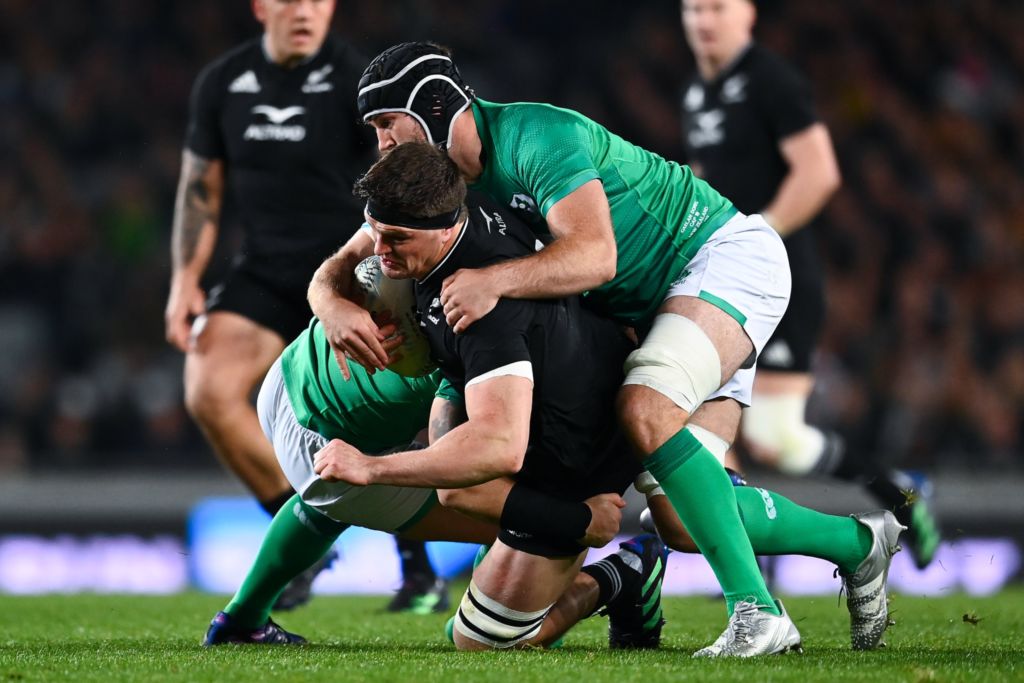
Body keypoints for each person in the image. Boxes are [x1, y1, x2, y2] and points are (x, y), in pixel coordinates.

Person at [311, 142, 905, 654]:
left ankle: (734, 599)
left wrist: (369, 465)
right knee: (665, 523)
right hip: (581, 388)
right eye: (376, 234)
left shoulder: (484, 299)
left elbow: (495, 446)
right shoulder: (441, 221)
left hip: (594, 423)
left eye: (394, 239)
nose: (380, 251)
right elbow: (361, 268)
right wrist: (338, 305)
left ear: (444, 226)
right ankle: (849, 544)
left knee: (493, 583)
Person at [310, 40, 795, 657]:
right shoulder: (435, 189)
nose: (380, 141)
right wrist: (330, 303)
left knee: (645, 410)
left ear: (432, 107)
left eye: (385, 122)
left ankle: (756, 614)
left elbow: (597, 257)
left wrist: (492, 279)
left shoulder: (538, 136)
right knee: (680, 522)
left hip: (710, 260)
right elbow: (343, 263)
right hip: (638, 319)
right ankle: (860, 545)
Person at [162, 0, 442, 611]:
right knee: (207, 388)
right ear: (262, 7)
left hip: (350, 270)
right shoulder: (223, 82)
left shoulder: (352, 79)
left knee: (389, 409)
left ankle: (417, 563)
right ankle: (305, 537)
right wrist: (186, 278)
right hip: (264, 271)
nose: (307, 11)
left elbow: (399, 167)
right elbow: (201, 184)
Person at [678, 0, 940, 570]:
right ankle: (725, 563)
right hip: (721, 279)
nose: (702, 19)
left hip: (778, 278)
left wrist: (754, 243)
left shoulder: (771, 80)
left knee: (775, 438)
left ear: (746, 15)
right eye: (693, 8)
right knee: (701, 415)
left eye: (715, 8)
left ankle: (899, 492)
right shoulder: (700, 93)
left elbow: (818, 172)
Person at [203, 315, 633, 646]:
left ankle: (242, 618)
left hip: (294, 371)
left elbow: (357, 251)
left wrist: (330, 301)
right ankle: (612, 581)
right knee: (530, 523)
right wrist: (577, 520)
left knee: (330, 507)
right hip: (329, 445)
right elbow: (462, 485)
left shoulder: (433, 231)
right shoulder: (486, 332)